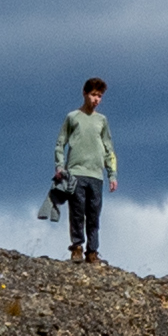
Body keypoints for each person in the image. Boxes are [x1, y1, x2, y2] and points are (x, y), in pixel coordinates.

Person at [46, 76, 118, 264]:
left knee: (94, 214)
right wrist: (60, 166)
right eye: (94, 95)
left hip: (96, 174)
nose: (96, 99)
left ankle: (92, 251)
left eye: (100, 96)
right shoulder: (73, 117)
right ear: (85, 93)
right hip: (76, 173)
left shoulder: (102, 120)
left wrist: (112, 174)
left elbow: (109, 148)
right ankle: (77, 247)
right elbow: (60, 143)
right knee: (77, 213)